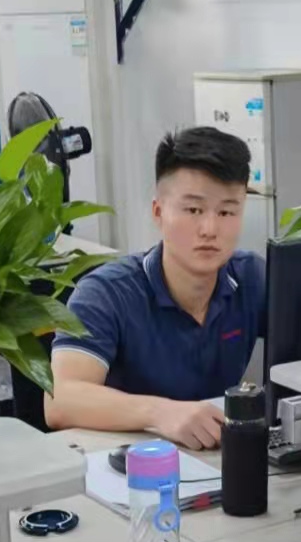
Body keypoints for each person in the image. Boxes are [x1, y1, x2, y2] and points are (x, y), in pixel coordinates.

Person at [45, 127, 265, 450]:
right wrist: (160, 413)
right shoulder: (106, 293)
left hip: (214, 459)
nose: (210, 229)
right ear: (158, 212)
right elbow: (59, 399)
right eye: (193, 210)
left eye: (227, 212)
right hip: (128, 466)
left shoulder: (252, 277)